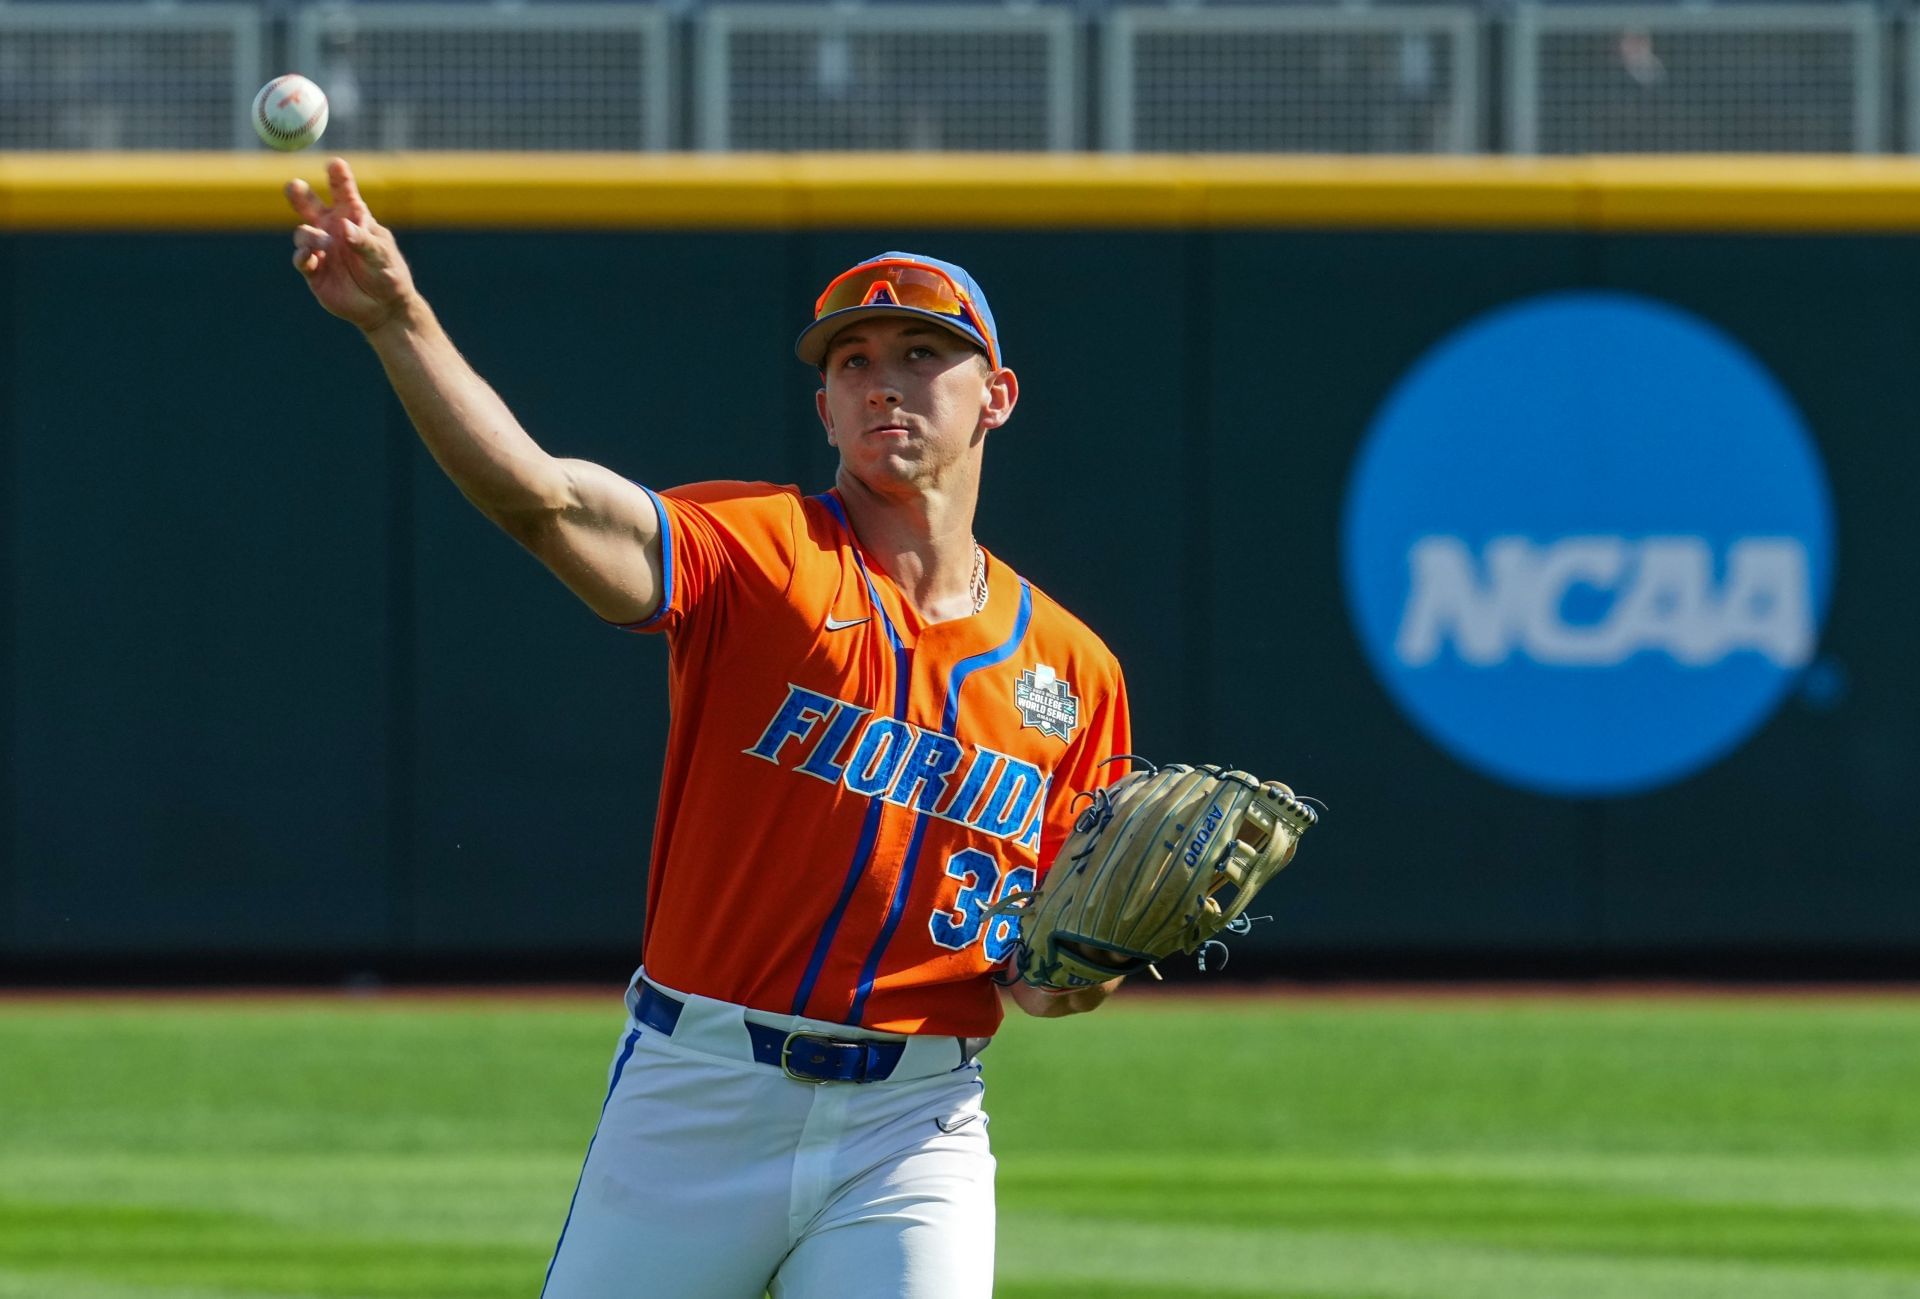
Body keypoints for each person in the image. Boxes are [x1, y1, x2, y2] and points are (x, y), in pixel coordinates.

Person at [286, 158, 1133, 1298]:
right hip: (696, 1094)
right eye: (854, 362)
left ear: (998, 395)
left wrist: (1093, 965)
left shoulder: (1074, 674)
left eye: (923, 356)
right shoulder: (759, 553)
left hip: (916, 1121)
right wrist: (401, 320)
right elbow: (539, 498)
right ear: (824, 405)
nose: (887, 383)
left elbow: (1044, 982)